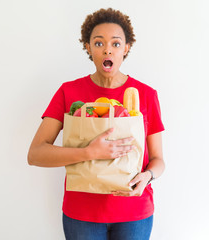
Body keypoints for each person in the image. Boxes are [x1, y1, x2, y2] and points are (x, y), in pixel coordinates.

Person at [28, 8, 165, 240]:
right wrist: (89, 152)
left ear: (126, 48)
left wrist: (148, 176)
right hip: (82, 213)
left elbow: (159, 160)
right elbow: (36, 154)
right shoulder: (68, 92)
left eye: (116, 43)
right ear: (88, 47)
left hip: (134, 212)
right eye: (99, 43)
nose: (108, 49)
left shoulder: (146, 95)